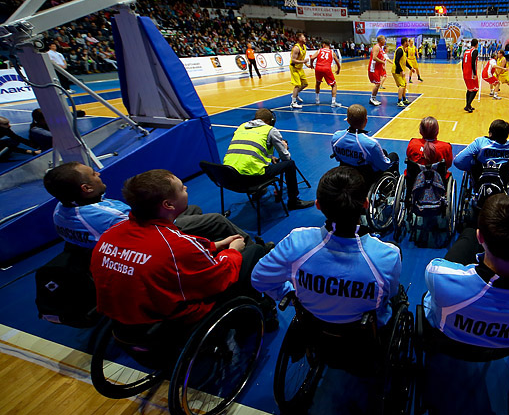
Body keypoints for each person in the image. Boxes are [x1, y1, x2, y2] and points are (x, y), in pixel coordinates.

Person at [90, 169, 271, 326]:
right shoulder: (176, 245)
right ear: (168, 204)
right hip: (170, 321)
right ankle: (256, 320)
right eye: (181, 188)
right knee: (254, 252)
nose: (186, 188)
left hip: (123, 318)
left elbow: (171, 251)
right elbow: (220, 277)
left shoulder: (111, 233)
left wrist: (213, 246)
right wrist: (232, 251)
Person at [251, 166, 401, 326]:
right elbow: (390, 294)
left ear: (318, 205)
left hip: (312, 325)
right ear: (365, 203)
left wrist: (292, 295)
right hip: (364, 332)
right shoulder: (387, 255)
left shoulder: (297, 242)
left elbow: (259, 279)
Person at [423, 194, 509, 348]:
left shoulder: (439, 275)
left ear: (480, 236)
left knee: (467, 235)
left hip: (449, 341)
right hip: (505, 349)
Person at [43, 161, 255, 250]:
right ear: (86, 188)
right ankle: (254, 248)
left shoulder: (60, 210)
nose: (98, 173)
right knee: (216, 220)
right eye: (93, 174)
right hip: (149, 240)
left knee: (195, 210)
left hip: (124, 238)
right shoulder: (112, 215)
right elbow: (148, 230)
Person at [223, 108, 313, 210]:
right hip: (251, 180)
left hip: (229, 177)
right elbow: (285, 157)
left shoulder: (241, 127)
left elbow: (247, 150)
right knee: (290, 164)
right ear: (269, 121)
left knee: (250, 164)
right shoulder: (270, 130)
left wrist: (269, 157)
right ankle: (294, 201)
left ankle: (257, 192)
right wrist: (284, 147)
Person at [331, 104, 398, 186]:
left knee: (383, 152)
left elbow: (338, 158)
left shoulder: (336, 137)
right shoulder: (371, 143)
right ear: (366, 120)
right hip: (365, 177)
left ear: (347, 120)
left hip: (345, 172)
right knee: (393, 156)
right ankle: (390, 186)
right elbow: (384, 166)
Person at [309, 39, 342, 107]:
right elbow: (337, 62)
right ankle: (333, 102)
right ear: (329, 45)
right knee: (334, 85)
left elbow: (312, 58)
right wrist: (338, 69)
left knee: (318, 83)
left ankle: (317, 100)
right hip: (326, 68)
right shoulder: (331, 52)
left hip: (318, 68)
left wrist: (311, 64)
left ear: (323, 44)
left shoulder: (319, 50)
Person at [289, 33, 311, 109]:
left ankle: (295, 94)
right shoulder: (296, 48)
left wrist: (307, 64)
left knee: (305, 84)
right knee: (297, 84)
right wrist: (303, 61)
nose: (305, 38)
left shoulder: (304, 47)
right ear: (299, 39)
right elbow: (293, 60)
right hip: (294, 68)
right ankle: (293, 102)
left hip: (300, 68)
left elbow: (301, 58)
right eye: (303, 37)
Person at [392, 38, 412, 107]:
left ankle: (404, 99)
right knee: (402, 85)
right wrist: (401, 70)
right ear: (405, 42)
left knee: (405, 84)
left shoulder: (404, 50)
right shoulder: (400, 50)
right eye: (408, 41)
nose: (409, 42)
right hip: (396, 71)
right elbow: (396, 61)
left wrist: (411, 68)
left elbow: (404, 61)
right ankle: (399, 101)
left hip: (401, 71)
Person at [368, 35, 388, 106]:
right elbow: (374, 57)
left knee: (378, 83)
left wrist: (382, 65)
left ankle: (373, 98)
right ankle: (372, 98)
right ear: (381, 40)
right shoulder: (376, 47)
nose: (385, 41)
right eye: (384, 40)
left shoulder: (380, 48)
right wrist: (382, 62)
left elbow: (380, 57)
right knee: (377, 84)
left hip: (378, 68)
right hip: (374, 68)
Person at [462, 38, 479, 113]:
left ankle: (468, 105)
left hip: (465, 73)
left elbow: (462, 63)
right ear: (476, 44)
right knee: (475, 89)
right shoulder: (474, 51)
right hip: (471, 73)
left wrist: (463, 71)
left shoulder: (466, 51)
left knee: (469, 89)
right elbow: (473, 63)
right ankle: (468, 105)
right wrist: (474, 74)